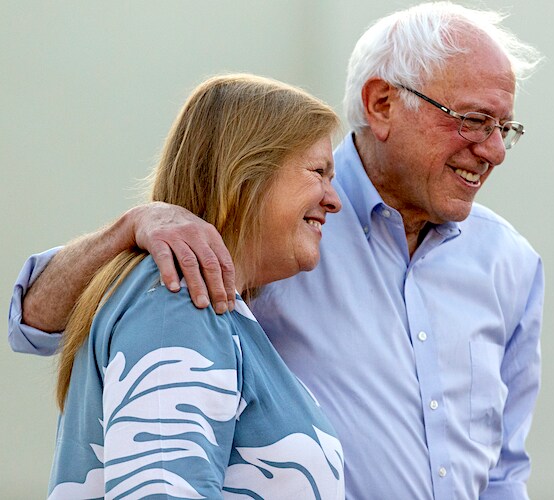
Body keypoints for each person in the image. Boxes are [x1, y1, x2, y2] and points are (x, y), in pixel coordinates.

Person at [9, 2, 544, 499]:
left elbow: (503, 472)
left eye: (506, 128)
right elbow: (33, 323)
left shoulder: (510, 263)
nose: (494, 149)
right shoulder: (266, 241)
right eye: (473, 120)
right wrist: (132, 227)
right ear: (382, 104)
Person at [25, 74, 346, 499]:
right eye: (318, 172)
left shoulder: (206, 305)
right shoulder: (179, 296)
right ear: (247, 173)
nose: (333, 199)